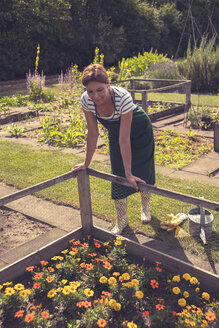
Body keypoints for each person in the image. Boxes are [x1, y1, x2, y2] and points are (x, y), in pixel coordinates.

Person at [72, 63, 155, 234]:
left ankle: (145, 207)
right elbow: (93, 134)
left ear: (108, 84)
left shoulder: (122, 97)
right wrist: (86, 163)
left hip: (140, 130)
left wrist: (130, 173)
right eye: (90, 91)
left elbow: (125, 139)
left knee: (144, 172)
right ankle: (122, 220)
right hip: (116, 132)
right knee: (117, 174)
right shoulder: (86, 100)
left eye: (100, 90)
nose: (95, 96)